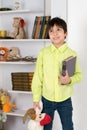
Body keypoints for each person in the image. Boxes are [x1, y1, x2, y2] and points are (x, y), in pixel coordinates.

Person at [31, 17, 82, 130]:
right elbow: (38, 77)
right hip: (47, 99)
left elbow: (79, 75)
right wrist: (35, 98)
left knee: (68, 126)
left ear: (65, 33)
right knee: (46, 127)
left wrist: (69, 80)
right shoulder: (43, 53)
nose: (55, 33)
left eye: (58, 29)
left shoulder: (72, 54)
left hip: (65, 100)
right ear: (48, 34)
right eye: (51, 31)